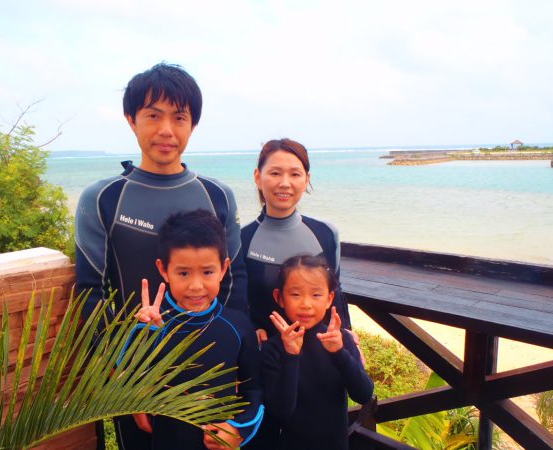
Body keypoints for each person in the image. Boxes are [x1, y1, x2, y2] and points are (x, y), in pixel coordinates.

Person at [75, 63, 248, 449]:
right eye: (153, 116)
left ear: (193, 124)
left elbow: (235, 286)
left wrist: (237, 369)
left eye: (179, 117)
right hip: (135, 374)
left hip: (211, 373)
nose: (166, 130)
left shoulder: (217, 196)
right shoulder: (103, 198)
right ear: (131, 120)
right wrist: (125, 376)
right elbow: (91, 292)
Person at [123, 209, 263, 450]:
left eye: (207, 272)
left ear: (223, 268)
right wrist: (144, 333)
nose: (196, 286)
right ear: (163, 270)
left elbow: (254, 389)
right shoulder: (151, 323)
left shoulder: (238, 326)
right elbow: (127, 378)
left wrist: (239, 430)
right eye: (184, 273)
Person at [241, 138, 351, 343]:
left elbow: (335, 294)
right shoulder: (241, 239)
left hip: (319, 352)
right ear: (258, 177)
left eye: (295, 174)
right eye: (275, 173)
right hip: (265, 353)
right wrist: (249, 328)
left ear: (306, 179)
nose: (285, 183)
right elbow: (235, 301)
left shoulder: (326, 233)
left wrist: (347, 338)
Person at [261, 254, 374, 450]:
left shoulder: (340, 340)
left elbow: (364, 394)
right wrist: (291, 355)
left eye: (316, 295)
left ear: (330, 298)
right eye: (295, 294)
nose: (306, 304)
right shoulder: (273, 349)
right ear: (279, 298)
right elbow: (281, 411)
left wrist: (339, 353)